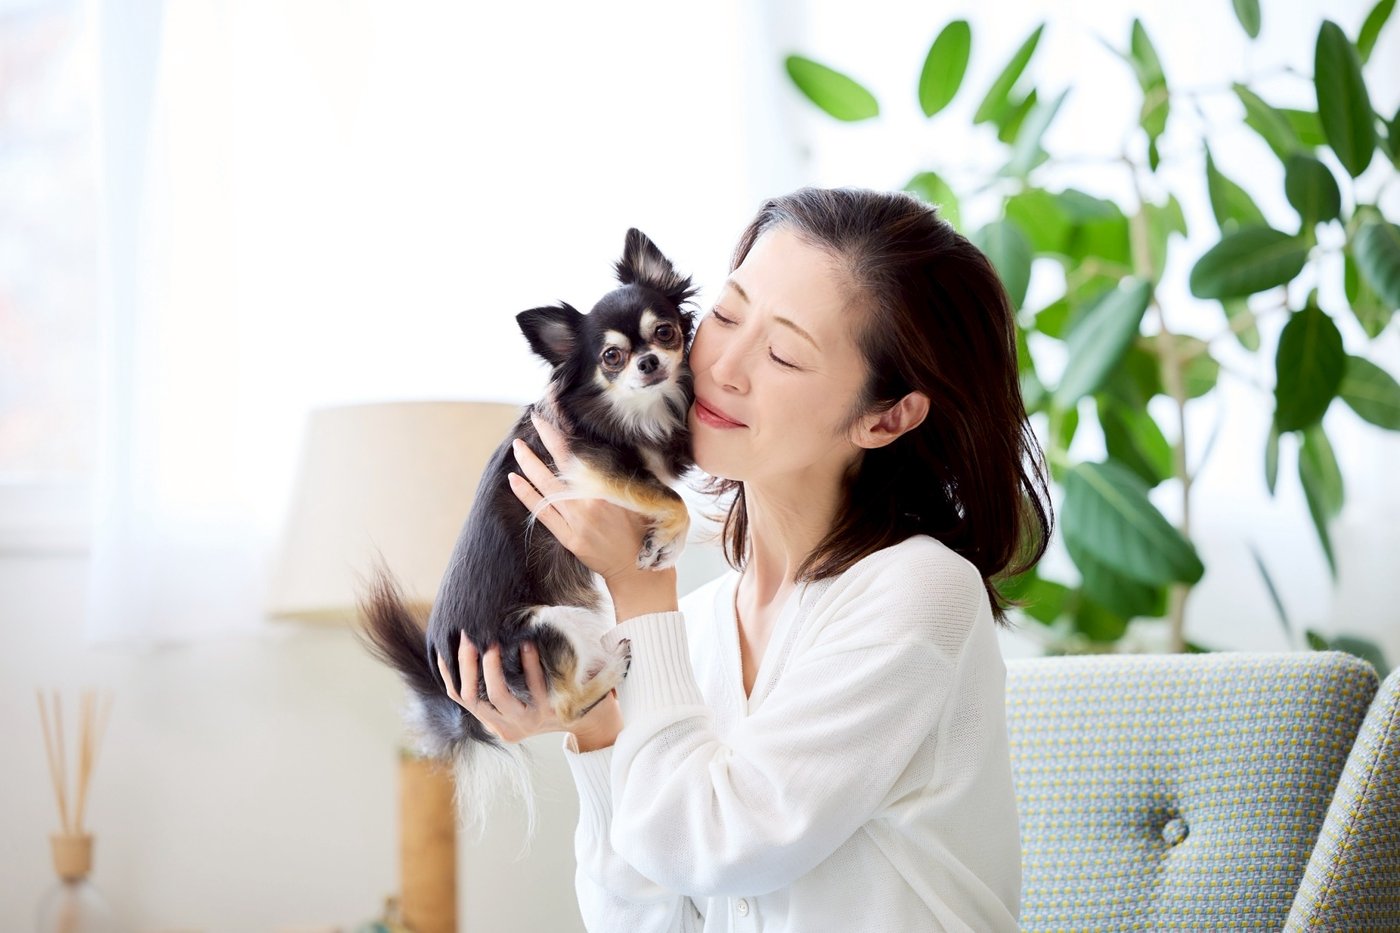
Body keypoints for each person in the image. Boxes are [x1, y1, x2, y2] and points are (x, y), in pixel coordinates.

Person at [446, 186, 1053, 932]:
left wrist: (637, 584)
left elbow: (718, 843)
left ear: (886, 416)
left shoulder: (920, 592)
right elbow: (646, 924)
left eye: (784, 353)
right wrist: (600, 728)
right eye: (727, 316)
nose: (724, 366)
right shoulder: (696, 624)